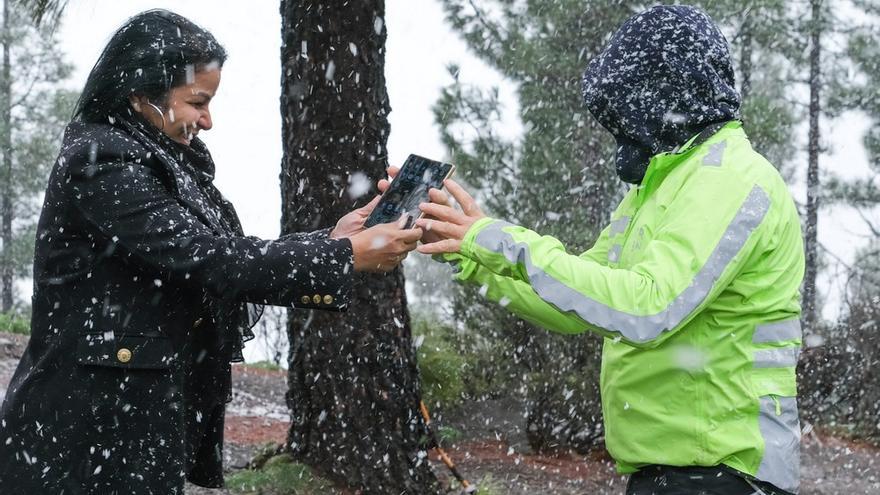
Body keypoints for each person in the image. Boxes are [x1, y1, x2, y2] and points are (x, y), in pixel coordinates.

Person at [0, 9, 420, 494]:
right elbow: (209, 262)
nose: (208, 120)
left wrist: (333, 240)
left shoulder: (162, 160)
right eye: (197, 102)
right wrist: (345, 257)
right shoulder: (103, 163)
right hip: (82, 435)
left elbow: (222, 252)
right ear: (140, 94)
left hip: (122, 430)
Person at [413, 5, 804, 495]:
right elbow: (579, 304)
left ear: (667, 93)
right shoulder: (658, 187)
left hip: (729, 472)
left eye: (627, 113)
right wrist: (468, 250)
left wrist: (497, 239)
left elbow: (647, 306)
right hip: (674, 472)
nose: (622, 133)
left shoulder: (730, 180)